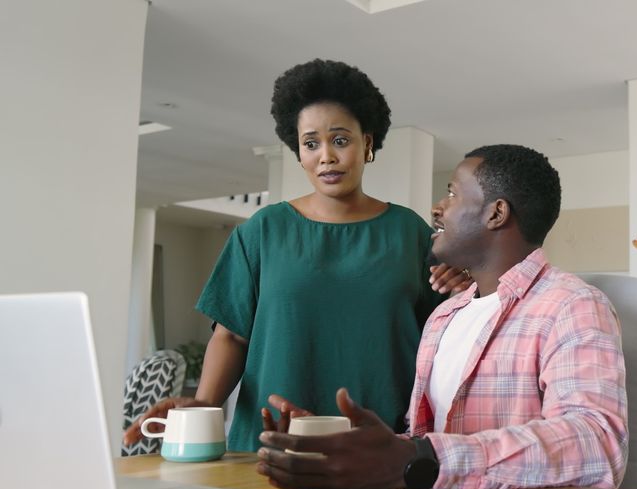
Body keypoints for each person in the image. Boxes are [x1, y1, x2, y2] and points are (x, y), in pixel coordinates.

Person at [123, 59, 469, 452]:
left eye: (341, 140)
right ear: (299, 152)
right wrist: (203, 406)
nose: (326, 156)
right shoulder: (263, 230)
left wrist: (467, 289)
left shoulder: (409, 233)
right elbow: (231, 335)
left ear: (368, 143)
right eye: (311, 143)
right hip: (271, 442)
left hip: (379, 447)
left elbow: (445, 335)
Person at [256, 144, 628, 489]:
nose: (437, 208)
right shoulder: (444, 317)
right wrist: (339, 445)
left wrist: (421, 459)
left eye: (452, 193)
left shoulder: (571, 305)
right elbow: (427, 450)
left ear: (496, 213)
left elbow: (597, 442)